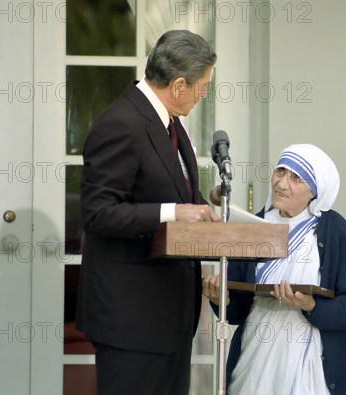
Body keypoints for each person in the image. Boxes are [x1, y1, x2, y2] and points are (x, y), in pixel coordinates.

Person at [75, 30, 219, 395]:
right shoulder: (121, 122)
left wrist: (203, 203)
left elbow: (170, 190)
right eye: (203, 86)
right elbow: (98, 212)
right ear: (180, 84)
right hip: (132, 322)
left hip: (170, 319)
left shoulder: (169, 121)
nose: (204, 94)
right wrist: (175, 211)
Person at [203, 144, 346, 395]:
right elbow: (237, 312)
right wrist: (219, 299)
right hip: (256, 357)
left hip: (313, 363)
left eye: (296, 178)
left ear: (315, 190)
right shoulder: (253, 226)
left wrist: (311, 305)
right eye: (280, 171)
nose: (281, 184)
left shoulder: (335, 230)